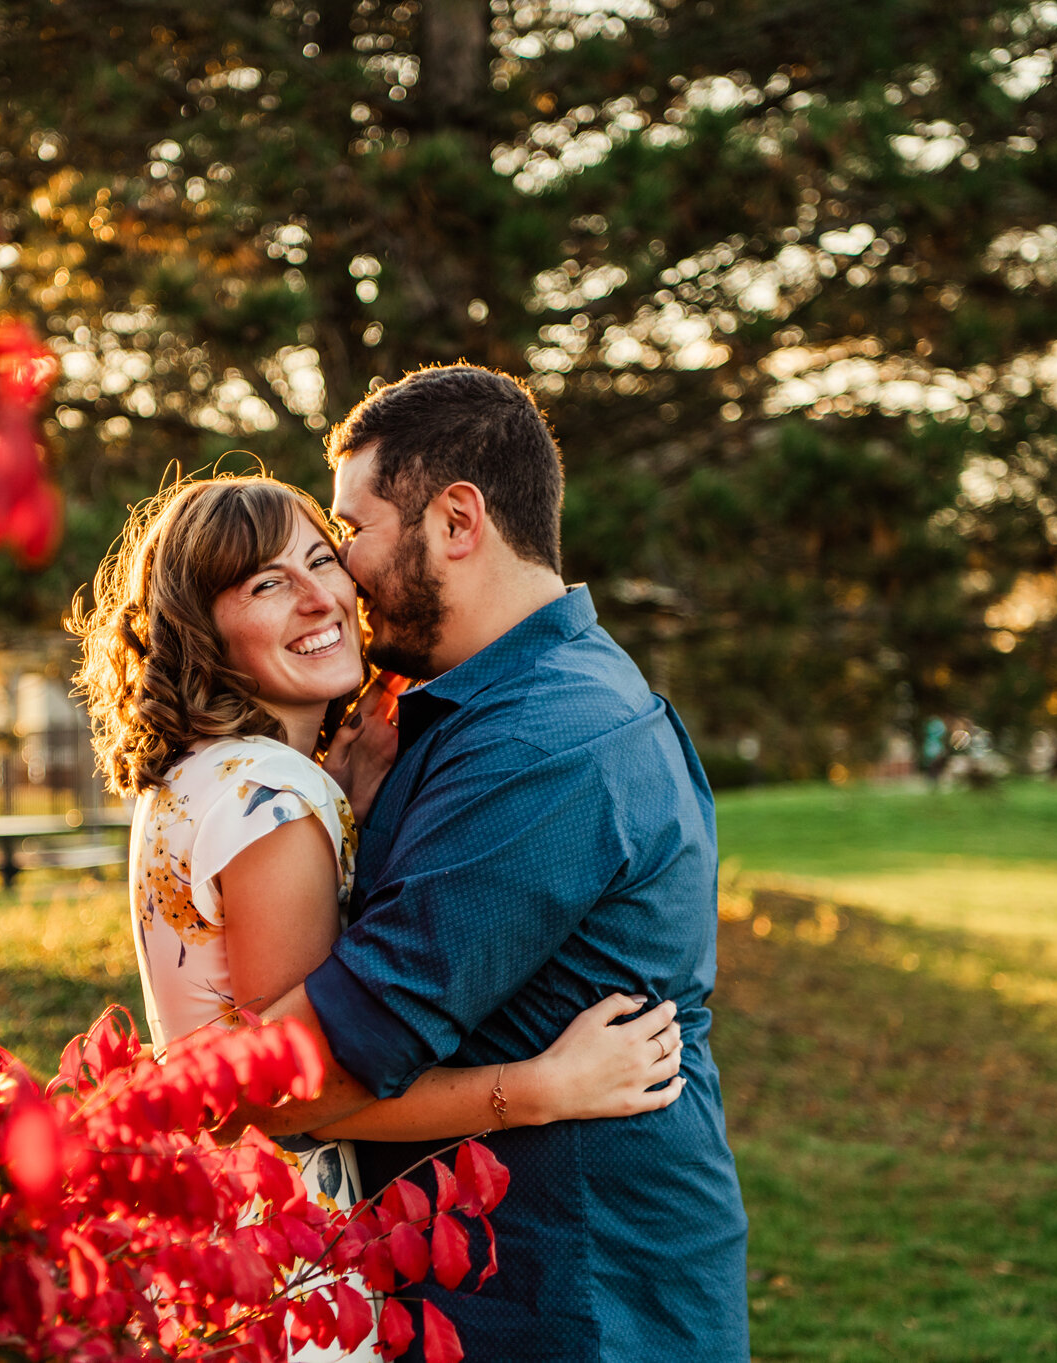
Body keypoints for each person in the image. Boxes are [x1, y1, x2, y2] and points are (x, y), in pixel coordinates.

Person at [71, 475, 692, 1362]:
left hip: (212, 1242)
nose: (322, 595)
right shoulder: (272, 799)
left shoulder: (208, 777)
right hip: (286, 1264)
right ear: (201, 631)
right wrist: (543, 1088)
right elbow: (299, 1093)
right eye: (266, 583)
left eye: (323, 557)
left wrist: (345, 801)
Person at [252, 365, 751, 1361]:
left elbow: (296, 1079)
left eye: (349, 529)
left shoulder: (543, 745)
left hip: (566, 1304)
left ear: (455, 519)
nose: (338, 573)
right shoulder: (466, 709)